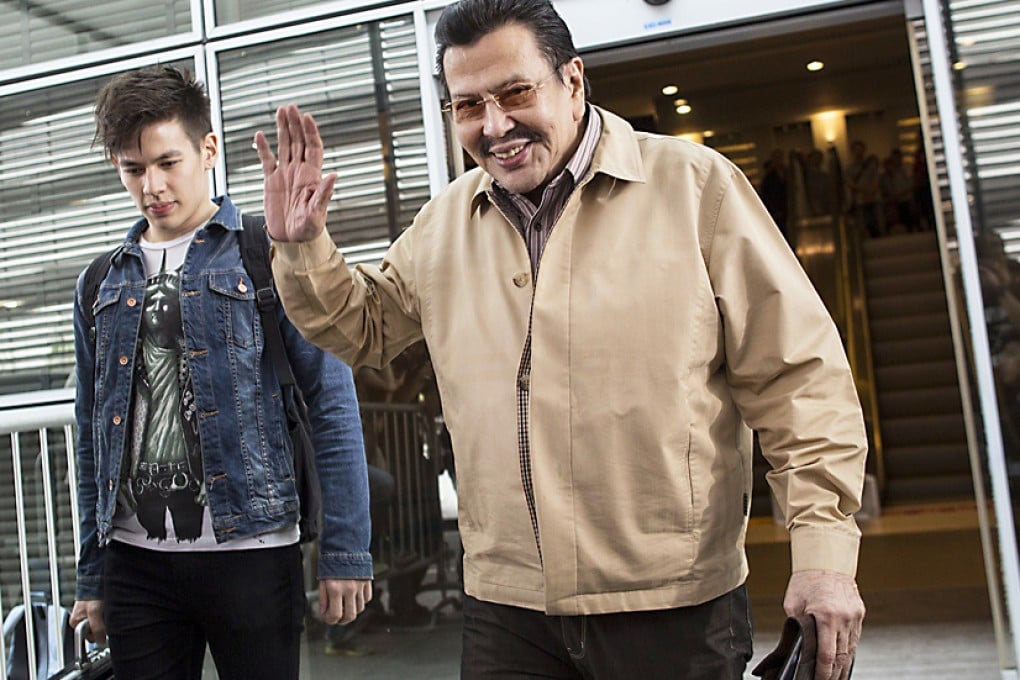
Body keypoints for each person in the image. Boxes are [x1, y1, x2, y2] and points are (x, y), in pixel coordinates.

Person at [255, 1, 867, 678]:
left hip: (672, 605)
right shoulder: (445, 224)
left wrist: (825, 556)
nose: (494, 126)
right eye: (467, 106)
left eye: (516, 92)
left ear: (573, 82)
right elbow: (360, 327)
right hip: (506, 612)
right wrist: (303, 246)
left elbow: (801, 382)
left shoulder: (696, 189)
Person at [68, 65, 372, 680]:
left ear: (208, 150)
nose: (151, 185)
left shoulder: (268, 252)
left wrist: (346, 552)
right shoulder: (101, 282)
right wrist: (93, 576)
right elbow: (90, 434)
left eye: (166, 162)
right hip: (135, 561)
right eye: (132, 169)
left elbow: (331, 400)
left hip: (252, 551)